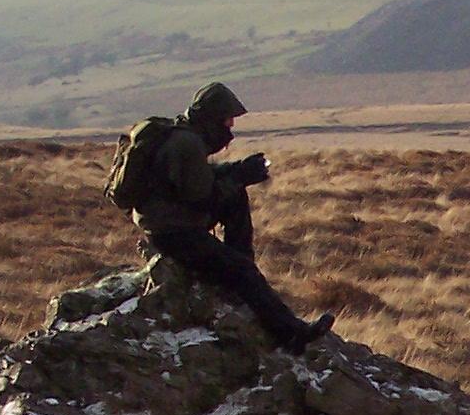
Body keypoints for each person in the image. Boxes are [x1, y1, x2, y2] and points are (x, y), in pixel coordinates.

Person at [128, 83, 334, 354]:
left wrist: (235, 171)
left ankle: (238, 268)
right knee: (243, 272)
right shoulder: (187, 144)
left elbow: (198, 180)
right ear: (213, 118)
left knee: (236, 199)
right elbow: (202, 198)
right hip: (173, 232)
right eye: (227, 120)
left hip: (165, 223)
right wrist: (239, 177)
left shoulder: (182, 136)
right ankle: (291, 334)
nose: (230, 128)